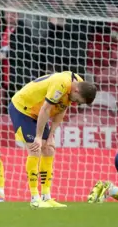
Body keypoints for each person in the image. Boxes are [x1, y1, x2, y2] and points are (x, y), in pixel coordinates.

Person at [9, 72, 97, 208]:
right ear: (77, 90)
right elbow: (45, 109)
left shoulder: (78, 83)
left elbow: (61, 110)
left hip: (38, 112)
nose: (76, 103)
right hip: (23, 109)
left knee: (49, 149)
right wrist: (38, 137)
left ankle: (46, 197)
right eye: (78, 100)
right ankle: (34, 198)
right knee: (35, 149)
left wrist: (50, 136)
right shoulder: (60, 84)